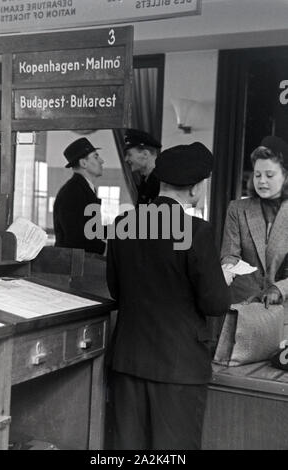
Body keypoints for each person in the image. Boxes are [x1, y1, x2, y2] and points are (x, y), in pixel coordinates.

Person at [106, 143, 230, 450]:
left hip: (128, 362)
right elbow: (215, 304)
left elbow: (117, 292)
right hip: (179, 368)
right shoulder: (196, 231)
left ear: (161, 181)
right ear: (196, 188)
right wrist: (223, 278)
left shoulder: (123, 224)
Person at [221, 135, 288, 307]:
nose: (262, 181)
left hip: (283, 310)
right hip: (243, 306)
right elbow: (230, 254)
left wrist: (279, 289)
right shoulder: (237, 208)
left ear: (285, 177)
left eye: (269, 175)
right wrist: (226, 271)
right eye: (257, 175)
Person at [53, 137, 106, 255]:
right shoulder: (72, 192)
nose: (102, 161)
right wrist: (107, 250)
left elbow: (92, 230)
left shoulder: (83, 188)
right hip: (74, 266)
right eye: (96, 157)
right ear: (83, 163)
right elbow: (77, 238)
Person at [124, 128, 161, 205]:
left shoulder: (161, 183)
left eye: (129, 154)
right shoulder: (146, 180)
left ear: (145, 154)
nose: (126, 159)